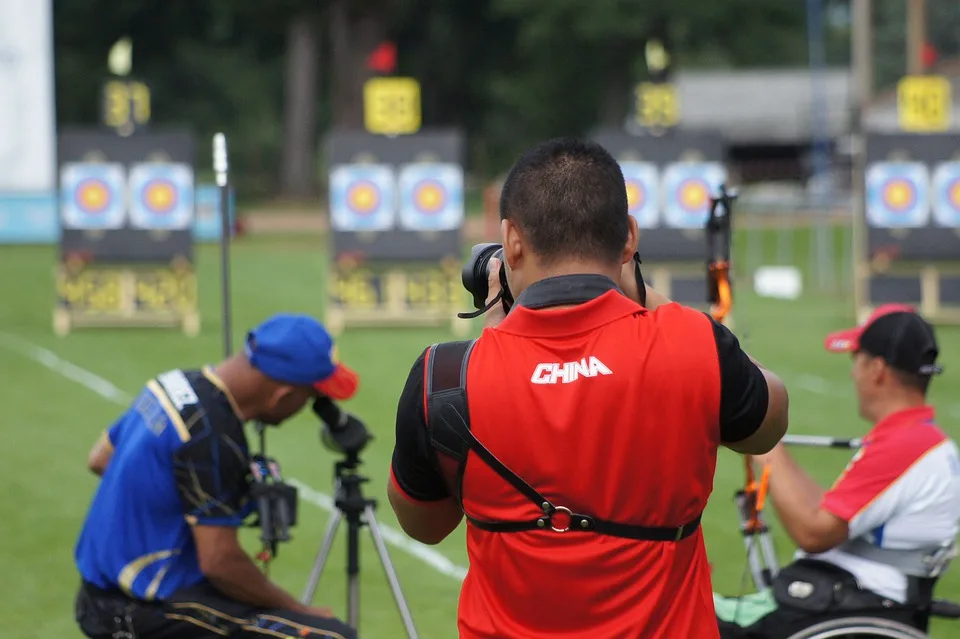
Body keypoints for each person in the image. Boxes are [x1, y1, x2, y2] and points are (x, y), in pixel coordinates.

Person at [385, 137, 791, 639]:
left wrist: (500, 316)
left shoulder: (444, 378)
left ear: (511, 241)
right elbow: (768, 423)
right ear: (628, 239)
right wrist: (645, 296)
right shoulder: (692, 344)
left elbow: (424, 525)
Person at [73, 313, 360, 639]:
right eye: (309, 398)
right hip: (137, 609)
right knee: (332, 636)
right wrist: (297, 608)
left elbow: (100, 458)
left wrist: (166, 513)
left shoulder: (174, 383)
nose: (306, 407)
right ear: (282, 395)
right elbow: (220, 563)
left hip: (97, 592)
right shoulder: (211, 435)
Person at [715, 304, 960, 638]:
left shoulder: (906, 445)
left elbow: (815, 533)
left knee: (691, 619)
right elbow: (828, 512)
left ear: (877, 369)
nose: (852, 374)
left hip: (850, 603)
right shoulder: (917, 438)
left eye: (855, 361)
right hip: (853, 598)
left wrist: (765, 442)